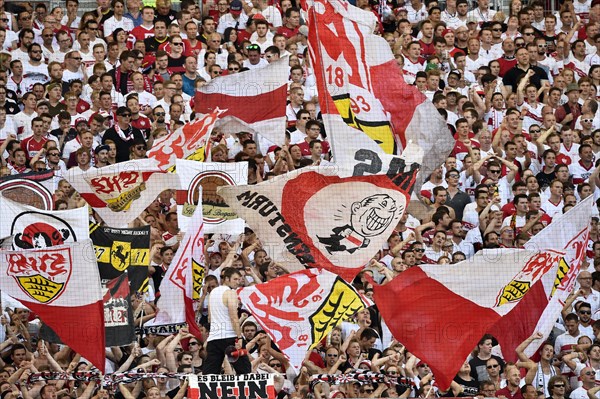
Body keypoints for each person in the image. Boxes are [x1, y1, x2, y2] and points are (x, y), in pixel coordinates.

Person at [202, 267, 251, 375]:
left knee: (209, 374)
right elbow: (234, 317)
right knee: (245, 371)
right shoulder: (231, 292)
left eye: (239, 279)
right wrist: (239, 337)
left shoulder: (213, 292)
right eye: (235, 279)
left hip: (214, 339)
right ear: (227, 278)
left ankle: (208, 392)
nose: (238, 282)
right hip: (231, 337)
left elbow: (209, 317)